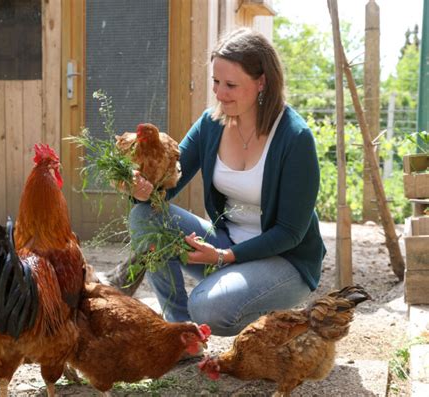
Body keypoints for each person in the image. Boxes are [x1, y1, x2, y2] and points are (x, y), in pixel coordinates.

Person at [127, 28, 326, 337]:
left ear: (262, 82)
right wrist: (145, 191)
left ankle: (261, 311)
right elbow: (166, 186)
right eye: (216, 83)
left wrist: (224, 257)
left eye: (231, 85)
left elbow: (290, 232)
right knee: (143, 216)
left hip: (284, 261)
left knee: (208, 308)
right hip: (223, 247)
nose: (220, 94)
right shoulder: (211, 124)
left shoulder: (295, 138)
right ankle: (179, 331)